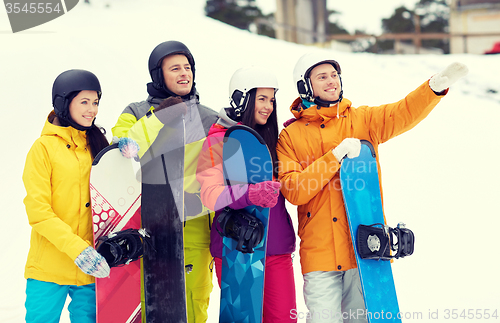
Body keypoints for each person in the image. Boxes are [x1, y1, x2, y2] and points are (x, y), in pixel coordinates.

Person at [276, 52, 468, 323]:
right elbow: (294, 190)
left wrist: (433, 88)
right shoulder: (290, 136)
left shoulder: (362, 120)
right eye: (322, 77)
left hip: (365, 249)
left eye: (334, 75)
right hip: (320, 258)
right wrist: (335, 156)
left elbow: (402, 112)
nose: (331, 82)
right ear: (305, 87)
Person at [111, 40, 217, 323]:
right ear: (158, 75)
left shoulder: (210, 118)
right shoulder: (135, 112)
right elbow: (124, 151)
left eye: (188, 67)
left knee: (192, 310)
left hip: (195, 235)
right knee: (150, 309)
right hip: (149, 234)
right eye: (175, 68)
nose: (184, 73)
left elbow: (223, 175)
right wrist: (160, 117)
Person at [197, 66, 297, 322]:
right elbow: (210, 195)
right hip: (236, 249)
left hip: (275, 248)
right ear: (242, 98)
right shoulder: (218, 140)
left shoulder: (274, 140)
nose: (268, 107)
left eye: (272, 100)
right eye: (261, 99)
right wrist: (249, 194)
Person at [22, 69, 111, 323]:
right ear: (63, 103)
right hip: (48, 269)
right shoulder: (43, 149)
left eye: (95, 102)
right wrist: (78, 250)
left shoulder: (97, 145)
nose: (91, 110)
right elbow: (39, 211)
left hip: (91, 271)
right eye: (84, 102)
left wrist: (123, 157)